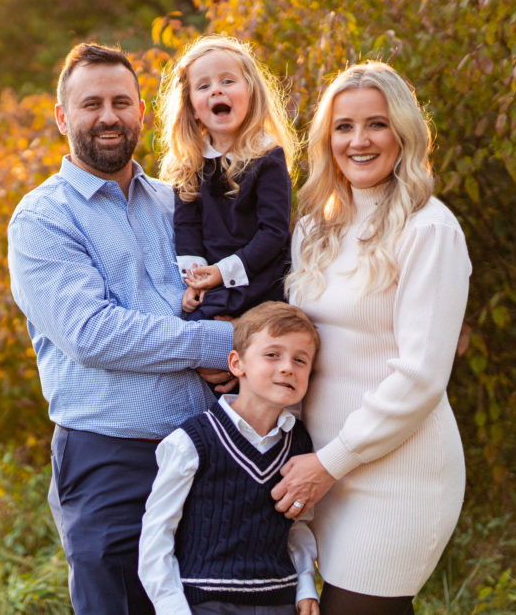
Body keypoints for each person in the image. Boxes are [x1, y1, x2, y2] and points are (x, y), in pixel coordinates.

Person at [7, 43, 235, 614]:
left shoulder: (176, 201)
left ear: (140, 112)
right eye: (91, 104)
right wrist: (222, 343)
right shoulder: (43, 218)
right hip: (112, 464)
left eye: (121, 102)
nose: (108, 116)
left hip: (209, 453)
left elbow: (231, 289)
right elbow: (93, 332)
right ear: (63, 117)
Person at [272, 61, 471, 614]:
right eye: (343, 126)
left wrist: (330, 462)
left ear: (403, 134)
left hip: (396, 479)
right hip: (321, 476)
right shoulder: (315, 228)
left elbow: (421, 376)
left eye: (376, 125)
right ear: (326, 138)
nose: (358, 141)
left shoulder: (429, 229)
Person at [139, 301, 321, 615]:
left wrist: (305, 585)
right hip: (206, 602)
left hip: (278, 601)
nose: (288, 367)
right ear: (237, 364)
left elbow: (298, 523)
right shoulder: (193, 441)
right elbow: (157, 532)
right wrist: (172, 608)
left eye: (300, 360)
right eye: (272, 354)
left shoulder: (300, 442)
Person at [157, 35, 298, 321]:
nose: (216, 91)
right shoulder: (191, 164)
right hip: (211, 282)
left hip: (257, 278)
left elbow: (274, 233)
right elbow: (187, 226)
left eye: (227, 81)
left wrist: (223, 272)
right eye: (204, 86)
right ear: (191, 105)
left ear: (251, 91)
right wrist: (195, 279)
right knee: (191, 322)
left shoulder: (267, 157)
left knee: (258, 336)